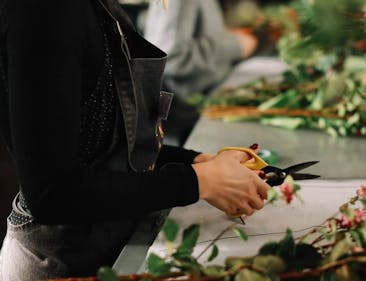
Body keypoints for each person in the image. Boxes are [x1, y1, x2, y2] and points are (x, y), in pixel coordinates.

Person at [0, 0, 269, 280]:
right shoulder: (47, 12)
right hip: (61, 264)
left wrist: (198, 162)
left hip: (107, 251)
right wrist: (197, 181)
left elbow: (105, 146)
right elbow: (52, 194)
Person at [143, 0, 259, 145]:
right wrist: (236, 44)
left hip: (200, 105)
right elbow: (173, 57)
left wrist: (228, 36)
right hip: (185, 113)